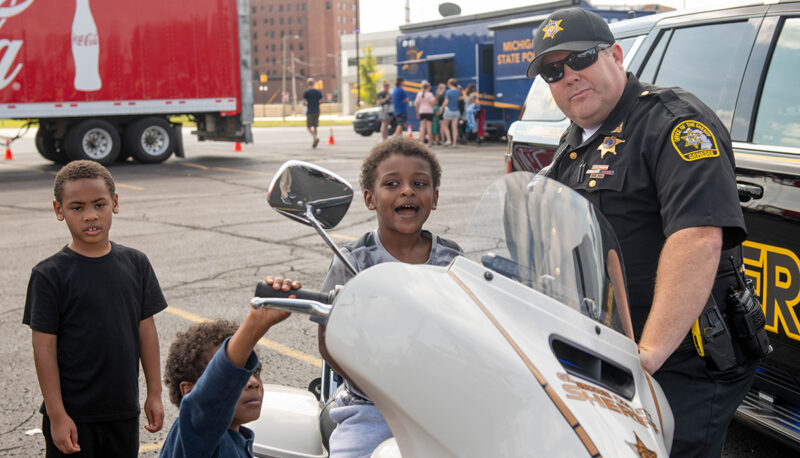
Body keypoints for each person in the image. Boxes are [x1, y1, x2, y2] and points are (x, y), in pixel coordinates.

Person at [526, 8, 755, 457]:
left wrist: (646, 355)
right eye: (553, 70)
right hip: (611, 348)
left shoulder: (673, 123)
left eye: (581, 58)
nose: (568, 75)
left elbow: (698, 237)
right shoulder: (574, 142)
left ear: (615, 54)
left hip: (681, 353)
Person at [317, 136, 462, 457]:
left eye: (419, 183)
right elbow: (328, 339)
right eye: (393, 183)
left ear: (434, 197)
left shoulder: (453, 260)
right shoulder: (353, 260)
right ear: (370, 198)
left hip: (441, 403)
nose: (407, 191)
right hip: (371, 406)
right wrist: (375, 384)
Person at [23, 160, 166, 457]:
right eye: (77, 208)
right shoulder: (49, 274)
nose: (90, 215)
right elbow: (44, 349)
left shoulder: (136, 263)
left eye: (99, 204)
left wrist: (154, 393)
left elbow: (146, 331)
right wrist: (58, 415)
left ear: (114, 203)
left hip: (122, 412)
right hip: (74, 416)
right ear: (58, 210)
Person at [159, 280, 292, 458]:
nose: (252, 382)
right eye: (235, 377)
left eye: (255, 371)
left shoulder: (237, 440)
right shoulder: (192, 438)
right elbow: (211, 397)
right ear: (190, 391)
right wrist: (256, 322)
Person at [302, 78, 324, 148]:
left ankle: (315, 137)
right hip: (317, 110)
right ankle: (314, 141)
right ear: (314, 83)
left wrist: (307, 104)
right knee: (315, 126)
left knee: (308, 127)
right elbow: (322, 101)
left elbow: (304, 102)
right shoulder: (318, 92)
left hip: (310, 111)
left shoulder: (306, 92)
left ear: (308, 84)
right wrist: (317, 104)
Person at [442, 78, 461, 147]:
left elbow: (446, 102)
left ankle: (449, 140)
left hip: (449, 110)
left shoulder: (448, 92)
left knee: (445, 125)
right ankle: (454, 143)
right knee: (454, 128)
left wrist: (442, 107)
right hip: (456, 111)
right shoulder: (458, 92)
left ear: (450, 84)